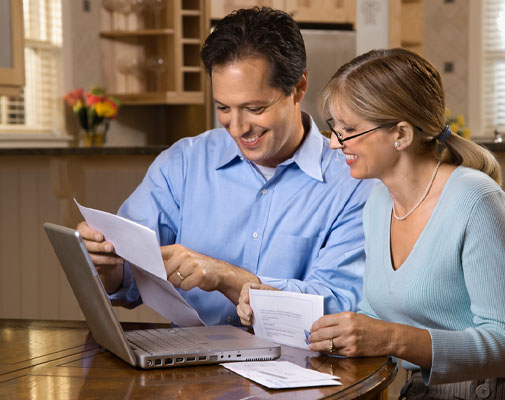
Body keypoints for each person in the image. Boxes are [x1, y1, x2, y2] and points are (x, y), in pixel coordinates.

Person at [237, 48, 505, 399]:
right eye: (334, 129)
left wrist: (391, 338)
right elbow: (370, 317)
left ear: (401, 134)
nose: (333, 143)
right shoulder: (378, 202)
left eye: (348, 130)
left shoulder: (477, 203)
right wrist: (278, 304)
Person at [77, 7, 374, 326]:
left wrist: (228, 278)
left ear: (298, 88)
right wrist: (109, 265)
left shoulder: (354, 181)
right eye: (223, 108)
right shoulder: (184, 163)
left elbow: (340, 305)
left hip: (303, 368)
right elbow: (131, 282)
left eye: (255, 108)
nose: (237, 127)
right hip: (189, 368)